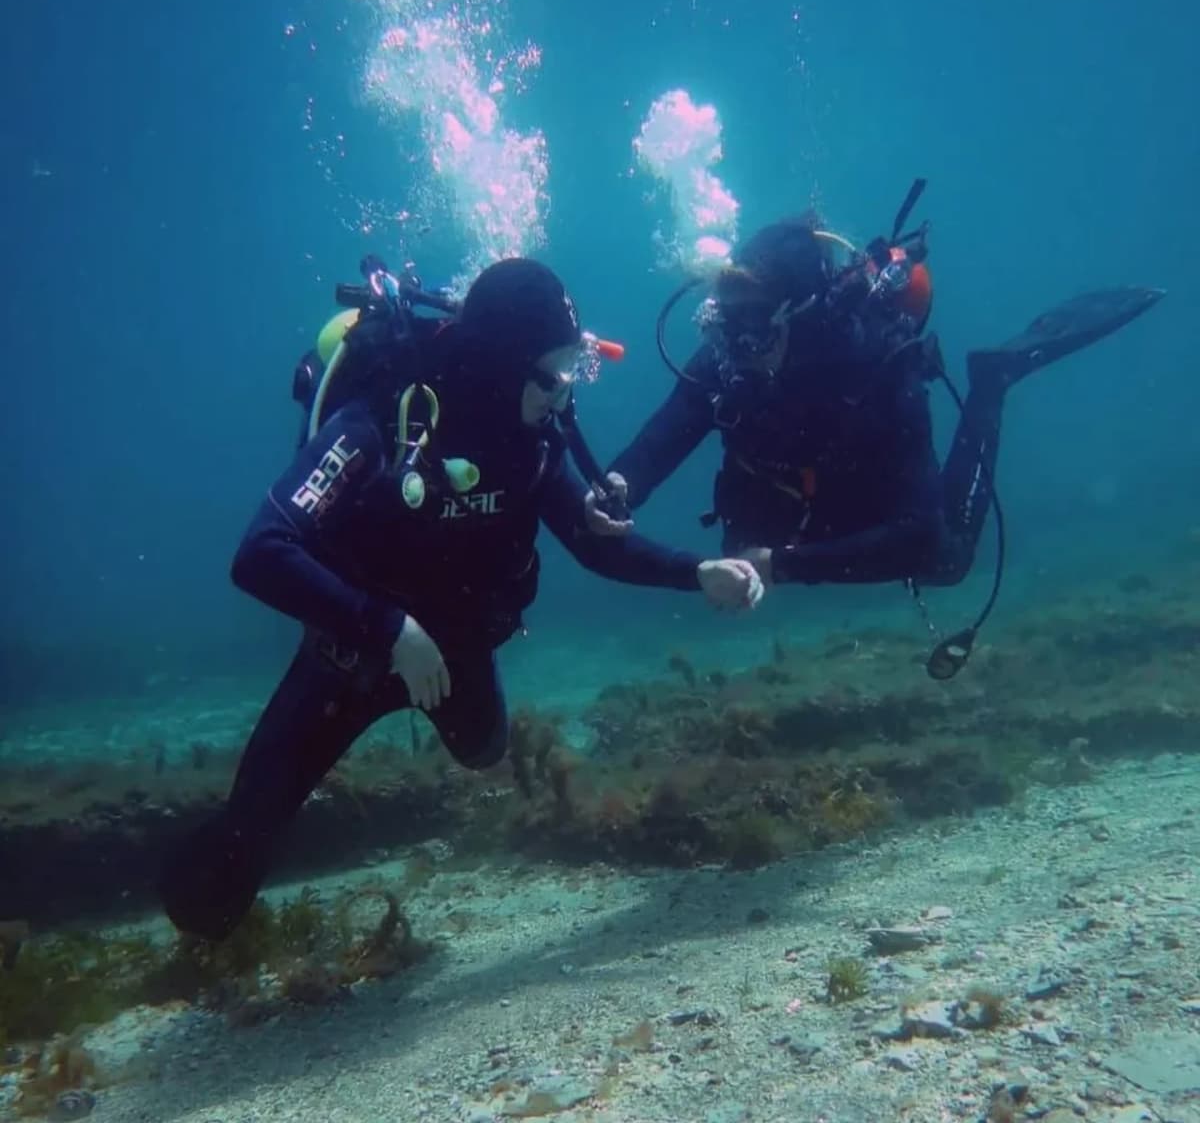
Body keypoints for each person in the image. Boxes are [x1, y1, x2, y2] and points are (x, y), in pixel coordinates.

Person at [159, 256, 763, 942]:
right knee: (225, 875)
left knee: (484, 749)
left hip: (457, 650)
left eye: (573, 369)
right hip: (351, 656)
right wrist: (390, 630)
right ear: (506, 361)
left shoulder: (531, 439)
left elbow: (595, 545)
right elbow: (262, 552)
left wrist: (697, 571)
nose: (566, 394)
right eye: (555, 372)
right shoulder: (385, 417)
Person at [585, 187, 1163, 670]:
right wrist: (620, 485)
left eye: (753, 331)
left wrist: (781, 565)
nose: (734, 349)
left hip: (866, 504)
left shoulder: (881, 369)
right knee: (737, 557)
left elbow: (919, 534)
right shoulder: (732, 356)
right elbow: (671, 428)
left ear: (804, 316)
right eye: (724, 327)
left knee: (948, 562)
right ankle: (773, 554)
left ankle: (993, 379)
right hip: (782, 496)